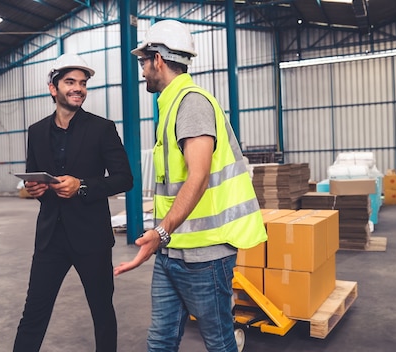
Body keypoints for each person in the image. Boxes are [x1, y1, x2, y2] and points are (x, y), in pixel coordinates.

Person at [114, 20, 267, 352]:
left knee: (218, 341)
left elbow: (198, 177)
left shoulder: (191, 103)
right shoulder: (170, 105)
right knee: (160, 340)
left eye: (143, 61)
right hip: (172, 251)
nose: (142, 69)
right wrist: (163, 239)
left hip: (206, 255)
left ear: (157, 59)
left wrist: (162, 231)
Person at [13, 53, 133, 352]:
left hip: (91, 237)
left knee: (102, 312)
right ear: (53, 88)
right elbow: (31, 181)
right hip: (50, 238)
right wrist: (34, 188)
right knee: (33, 313)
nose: (77, 88)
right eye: (70, 82)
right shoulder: (36, 131)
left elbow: (124, 178)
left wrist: (82, 186)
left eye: (82, 83)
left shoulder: (102, 128)